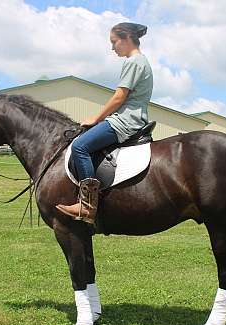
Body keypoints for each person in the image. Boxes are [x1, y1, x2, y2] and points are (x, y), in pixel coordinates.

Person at [56, 22, 153, 224]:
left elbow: (119, 97)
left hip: (126, 121)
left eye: (114, 42)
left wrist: (96, 118)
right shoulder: (141, 61)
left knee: (80, 146)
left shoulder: (134, 62)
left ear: (126, 38)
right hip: (132, 118)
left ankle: (87, 205)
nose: (112, 48)